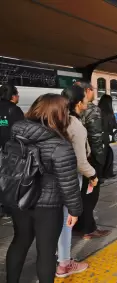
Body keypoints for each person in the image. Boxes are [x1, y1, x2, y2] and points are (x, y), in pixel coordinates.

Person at [5, 94, 82, 283]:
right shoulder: (60, 145)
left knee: (19, 242)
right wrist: (75, 210)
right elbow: (68, 183)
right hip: (48, 205)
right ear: (57, 114)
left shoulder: (16, 135)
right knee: (46, 251)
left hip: (19, 198)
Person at [55, 85, 98, 278]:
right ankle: (64, 263)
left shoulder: (55, 118)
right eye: (86, 100)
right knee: (67, 220)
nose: (88, 103)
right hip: (70, 177)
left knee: (55, 219)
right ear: (79, 103)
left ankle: (56, 255)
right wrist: (93, 175)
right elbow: (81, 161)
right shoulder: (74, 124)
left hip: (51, 177)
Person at [73, 81, 110, 240]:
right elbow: (96, 137)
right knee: (90, 194)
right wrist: (100, 160)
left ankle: (78, 225)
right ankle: (88, 228)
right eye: (92, 90)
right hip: (89, 158)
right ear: (88, 91)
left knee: (78, 193)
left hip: (71, 157)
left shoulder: (67, 109)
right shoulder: (92, 109)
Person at [0, 83, 24, 219]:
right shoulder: (14, 110)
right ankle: (9, 208)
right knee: (9, 180)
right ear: (13, 96)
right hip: (10, 152)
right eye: (17, 94)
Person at [98, 94, 117, 180]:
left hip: (99, 137)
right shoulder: (108, 113)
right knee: (106, 155)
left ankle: (106, 173)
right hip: (104, 137)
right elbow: (112, 125)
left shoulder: (98, 111)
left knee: (108, 154)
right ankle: (103, 174)